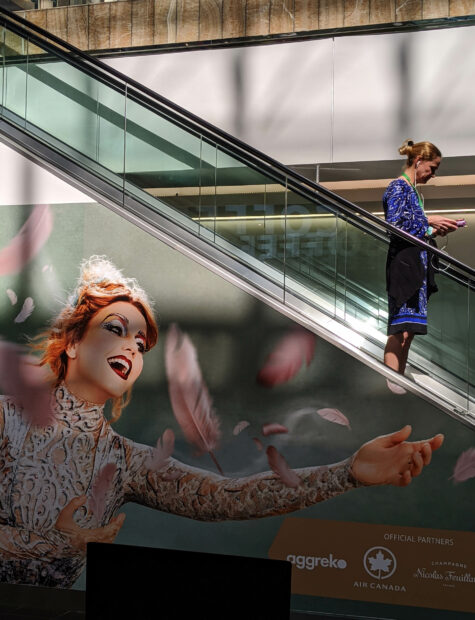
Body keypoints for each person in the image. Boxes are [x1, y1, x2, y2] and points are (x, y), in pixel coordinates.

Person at [0, 256, 444, 588]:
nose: (133, 348)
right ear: (73, 342)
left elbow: (228, 495)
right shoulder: (5, 418)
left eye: (141, 342)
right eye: (116, 329)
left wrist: (347, 473)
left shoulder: (124, 460)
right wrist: (53, 546)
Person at [383, 140, 459, 375]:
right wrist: (429, 220)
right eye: (432, 168)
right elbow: (393, 225)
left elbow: (410, 228)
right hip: (405, 266)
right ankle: (392, 382)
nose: (432, 174)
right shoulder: (398, 187)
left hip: (416, 266)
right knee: (400, 328)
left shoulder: (412, 191)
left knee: (409, 331)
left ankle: (398, 378)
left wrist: (431, 231)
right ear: (418, 161)